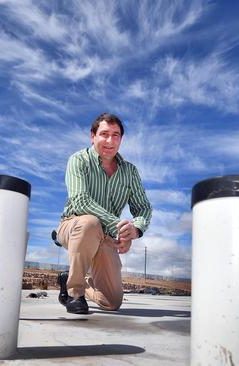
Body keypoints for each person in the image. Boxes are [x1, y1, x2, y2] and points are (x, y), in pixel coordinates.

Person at [56, 113, 152, 314]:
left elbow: (143, 207)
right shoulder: (78, 160)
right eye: (104, 134)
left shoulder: (130, 172)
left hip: (107, 234)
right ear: (93, 136)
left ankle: (72, 280)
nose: (110, 140)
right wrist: (118, 226)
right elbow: (81, 201)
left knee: (112, 302)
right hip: (74, 224)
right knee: (90, 223)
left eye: (115, 135)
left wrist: (134, 230)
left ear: (121, 139)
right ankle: (75, 294)